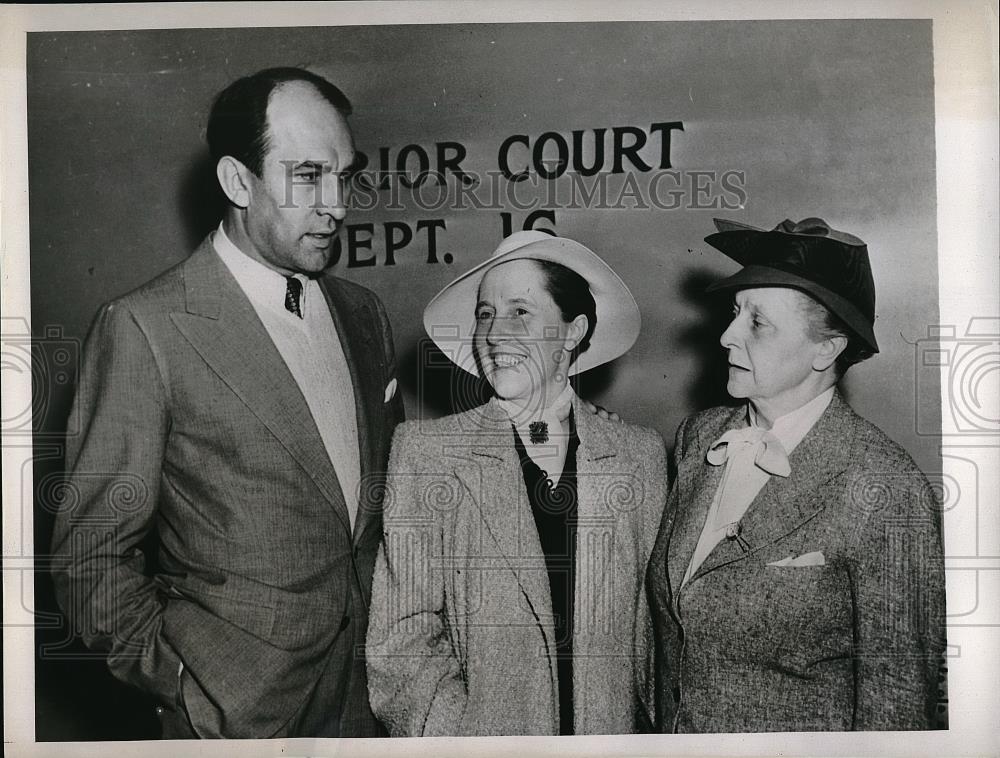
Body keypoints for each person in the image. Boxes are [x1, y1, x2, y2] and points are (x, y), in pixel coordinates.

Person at [50, 67, 404, 738]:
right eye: (306, 177)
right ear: (238, 182)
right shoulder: (145, 328)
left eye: (345, 175)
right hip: (236, 719)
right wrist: (191, 680)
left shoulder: (364, 314)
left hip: (372, 703)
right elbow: (88, 561)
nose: (337, 204)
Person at [645, 217, 946, 732]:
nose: (726, 336)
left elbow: (897, 702)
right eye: (735, 313)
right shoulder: (699, 437)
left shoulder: (885, 485)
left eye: (757, 323)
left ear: (825, 350)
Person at [366, 231, 667, 736]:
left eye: (520, 313)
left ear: (573, 332)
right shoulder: (426, 454)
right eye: (485, 314)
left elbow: (652, 637)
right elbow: (399, 644)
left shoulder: (639, 456)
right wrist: (464, 740)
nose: (494, 333)